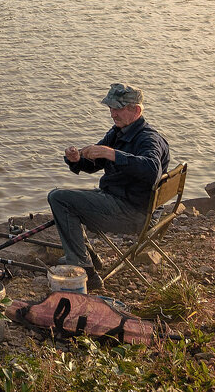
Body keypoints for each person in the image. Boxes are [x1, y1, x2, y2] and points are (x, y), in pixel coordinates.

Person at [47, 83, 170, 289]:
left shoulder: (149, 139)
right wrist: (76, 160)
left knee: (59, 198)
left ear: (136, 110)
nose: (113, 113)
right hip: (120, 201)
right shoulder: (118, 132)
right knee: (65, 198)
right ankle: (87, 260)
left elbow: (151, 170)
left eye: (117, 108)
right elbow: (95, 163)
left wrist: (111, 153)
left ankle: (84, 269)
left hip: (135, 214)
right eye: (111, 108)